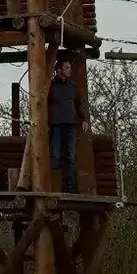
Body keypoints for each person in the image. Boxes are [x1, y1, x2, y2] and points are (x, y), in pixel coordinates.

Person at [47, 55, 89, 194]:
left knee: (70, 156)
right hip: (57, 124)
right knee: (55, 154)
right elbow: (45, 106)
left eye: (70, 68)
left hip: (71, 124)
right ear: (59, 70)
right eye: (67, 68)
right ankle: (53, 186)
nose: (69, 70)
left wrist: (83, 119)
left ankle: (69, 187)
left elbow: (79, 106)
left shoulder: (72, 87)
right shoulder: (51, 86)